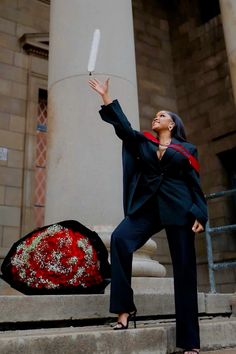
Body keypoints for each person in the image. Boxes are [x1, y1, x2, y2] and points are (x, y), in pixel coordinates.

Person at [88, 77, 208, 354]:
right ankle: (123, 311)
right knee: (120, 238)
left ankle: (189, 341)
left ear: (173, 124)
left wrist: (200, 214)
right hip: (147, 208)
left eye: (162, 115)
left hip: (180, 209)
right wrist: (105, 97)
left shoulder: (186, 150)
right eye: (156, 115)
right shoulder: (144, 142)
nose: (156, 117)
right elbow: (124, 129)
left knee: (185, 271)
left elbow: (194, 184)